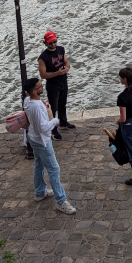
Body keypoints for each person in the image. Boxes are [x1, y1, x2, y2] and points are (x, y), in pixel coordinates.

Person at [22, 76, 76, 214]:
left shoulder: (27, 100)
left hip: (33, 137)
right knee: (54, 169)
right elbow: (43, 127)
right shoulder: (38, 107)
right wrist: (55, 121)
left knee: (38, 164)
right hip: (42, 141)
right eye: (40, 87)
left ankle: (40, 192)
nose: (42, 88)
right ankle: (61, 201)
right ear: (34, 91)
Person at [38, 30, 74, 140]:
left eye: (54, 41)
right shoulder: (43, 57)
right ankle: (53, 129)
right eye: (50, 43)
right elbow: (43, 74)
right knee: (53, 108)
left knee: (63, 104)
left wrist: (66, 68)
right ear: (45, 43)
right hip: (53, 85)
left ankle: (63, 122)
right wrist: (57, 73)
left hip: (63, 81)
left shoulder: (61, 49)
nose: (53, 44)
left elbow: (66, 62)